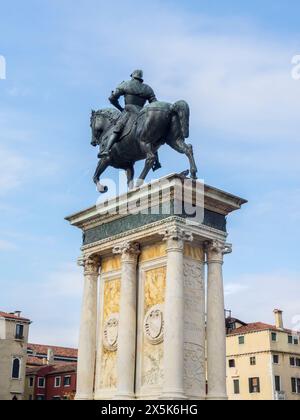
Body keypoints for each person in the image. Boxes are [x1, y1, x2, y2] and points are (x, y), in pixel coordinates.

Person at [100, 70, 161, 171]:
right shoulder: (147, 88)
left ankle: (106, 149)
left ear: (132, 76)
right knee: (150, 135)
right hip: (142, 113)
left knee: (117, 128)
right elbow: (154, 103)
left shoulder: (126, 84)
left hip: (128, 111)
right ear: (141, 78)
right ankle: (157, 161)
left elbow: (112, 98)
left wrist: (119, 107)